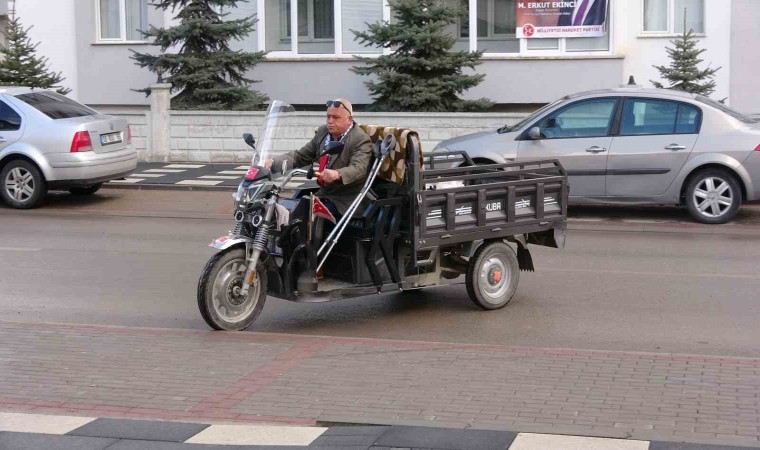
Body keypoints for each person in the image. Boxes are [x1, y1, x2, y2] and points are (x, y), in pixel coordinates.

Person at [265, 98, 373, 218]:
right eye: (328, 117)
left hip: (346, 199)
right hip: (324, 193)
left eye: (336, 117)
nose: (330, 121)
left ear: (349, 119)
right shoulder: (324, 132)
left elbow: (359, 168)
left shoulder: (360, 139)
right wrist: (272, 162)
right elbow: (301, 156)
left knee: (307, 216)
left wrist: (337, 174)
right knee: (286, 207)